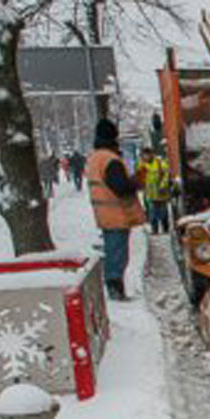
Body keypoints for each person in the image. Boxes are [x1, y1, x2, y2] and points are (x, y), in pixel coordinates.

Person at [87, 119, 145, 301]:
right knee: (118, 254)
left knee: (114, 252)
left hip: (104, 214)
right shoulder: (110, 160)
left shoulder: (95, 157)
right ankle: (115, 289)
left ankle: (114, 286)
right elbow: (121, 187)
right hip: (116, 214)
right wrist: (136, 181)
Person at [137, 147, 172, 234]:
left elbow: (166, 175)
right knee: (152, 214)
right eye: (144, 155)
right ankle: (154, 230)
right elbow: (140, 177)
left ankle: (165, 228)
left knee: (163, 212)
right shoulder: (142, 165)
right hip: (150, 194)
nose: (145, 157)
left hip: (161, 193)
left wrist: (163, 185)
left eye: (147, 155)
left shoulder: (160, 163)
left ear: (151, 154)